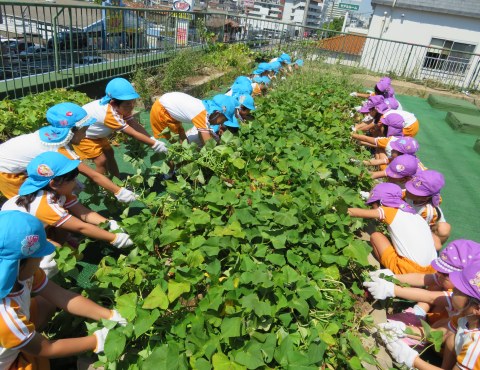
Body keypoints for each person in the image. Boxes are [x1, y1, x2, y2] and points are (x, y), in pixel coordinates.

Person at [0, 211, 127, 370]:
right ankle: (24, 342)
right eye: (38, 256)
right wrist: (96, 340)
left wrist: (110, 315)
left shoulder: (21, 274)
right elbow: (47, 348)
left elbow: (62, 296)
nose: (41, 259)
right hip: (5, 361)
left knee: (46, 302)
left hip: (11, 329)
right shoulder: (5, 315)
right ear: (19, 263)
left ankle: (23, 339)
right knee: (37, 362)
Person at [1, 152, 133, 276]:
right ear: (54, 184)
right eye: (72, 180)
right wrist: (115, 238)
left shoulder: (57, 192)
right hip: (15, 239)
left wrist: (109, 223)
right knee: (54, 253)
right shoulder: (43, 204)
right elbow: (81, 227)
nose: (76, 182)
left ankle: (53, 241)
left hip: (33, 227)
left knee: (63, 225)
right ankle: (34, 278)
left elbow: (84, 212)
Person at [0, 102, 138, 203]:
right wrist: (119, 191)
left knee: (54, 192)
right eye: (84, 131)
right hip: (8, 172)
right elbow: (93, 175)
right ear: (71, 131)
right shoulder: (58, 148)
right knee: (32, 202)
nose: (85, 136)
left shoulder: (53, 135)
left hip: (12, 160)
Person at [373, 263, 480, 370]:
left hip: (470, 360)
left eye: (460, 290)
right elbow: (439, 334)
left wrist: (412, 359)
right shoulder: (464, 317)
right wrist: (403, 329)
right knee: (452, 336)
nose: (455, 288)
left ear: (477, 309)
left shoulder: (475, 348)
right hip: (462, 354)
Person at [74, 78, 167, 178]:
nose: (132, 107)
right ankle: (104, 189)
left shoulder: (122, 108)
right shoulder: (109, 114)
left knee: (110, 153)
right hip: (82, 137)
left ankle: (117, 181)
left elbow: (134, 124)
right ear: (113, 103)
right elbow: (132, 133)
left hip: (96, 135)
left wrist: (151, 139)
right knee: (101, 161)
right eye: (128, 104)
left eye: (133, 102)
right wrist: (153, 144)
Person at [347, 183, 438, 274]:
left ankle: (392, 273)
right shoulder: (416, 216)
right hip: (431, 270)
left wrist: (336, 209)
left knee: (376, 236)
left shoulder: (389, 211)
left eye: (372, 205)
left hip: (408, 270)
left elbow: (359, 212)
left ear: (380, 203)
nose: (372, 208)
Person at [405, 171, 451, 245]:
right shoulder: (410, 195)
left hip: (426, 229)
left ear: (424, 199)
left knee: (444, 228)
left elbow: (421, 232)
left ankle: (434, 248)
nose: (407, 189)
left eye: (412, 190)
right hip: (414, 222)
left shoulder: (428, 212)